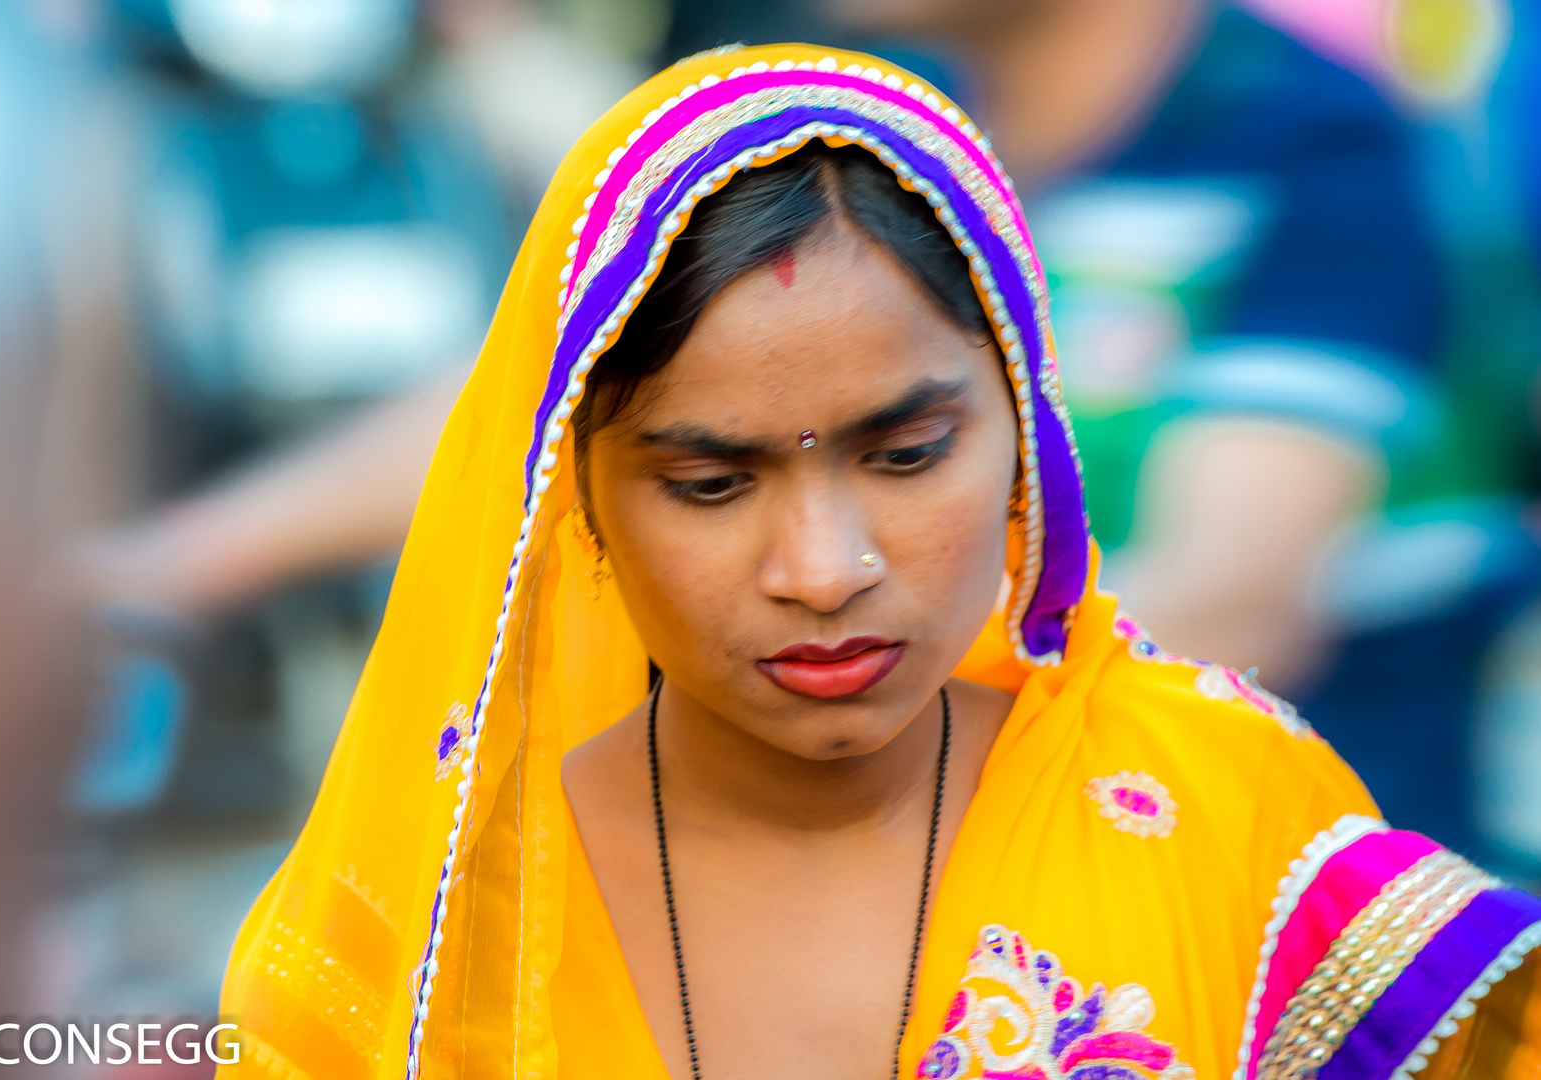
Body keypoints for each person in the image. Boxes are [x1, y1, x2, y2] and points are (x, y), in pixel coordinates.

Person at [217, 47, 1540, 1080]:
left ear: (1026, 425)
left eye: (907, 455)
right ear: (580, 496)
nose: (825, 566)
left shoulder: (1229, 819)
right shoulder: (442, 910)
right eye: (711, 482)